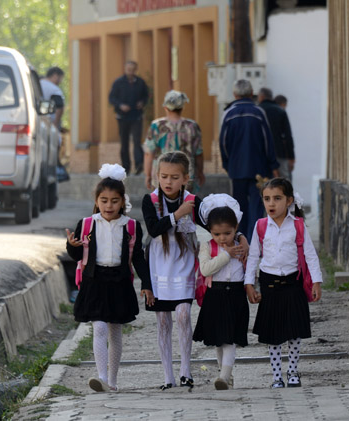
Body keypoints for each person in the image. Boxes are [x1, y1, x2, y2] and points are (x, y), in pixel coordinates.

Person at [142, 151, 248, 390]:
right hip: (159, 266)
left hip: (185, 264)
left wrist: (241, 237)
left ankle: (186, 371)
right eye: (164, 176)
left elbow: (218, 224)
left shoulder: (193, 200)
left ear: (185, 178)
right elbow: (153, 229)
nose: (168, 181)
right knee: (162, 322)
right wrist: (177, 214)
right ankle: (168, 375)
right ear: (157, 176)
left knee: (182, 315)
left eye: (174, 177)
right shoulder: (150, 200)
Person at [66, 163, 151, 392]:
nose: (109, 205)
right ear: (97, 200)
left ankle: (112, 380)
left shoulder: (131, 226)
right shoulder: (87, 225)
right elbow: (76, 255)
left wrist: (147, 283)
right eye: (104, 200)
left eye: (114, 201)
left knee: (115, 331)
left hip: (120, 282)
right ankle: (101, 376)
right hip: (95, 281)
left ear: (123, 201)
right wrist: (71, 245)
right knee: (100, 327)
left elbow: (139, 259)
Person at [244, 178, 323, 389]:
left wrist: (316, 281)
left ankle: (293, 371)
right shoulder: (261, 226)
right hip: (270, 286)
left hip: (293, 283)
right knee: (273, 333)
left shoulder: (297, 225)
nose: (271, 204)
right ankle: (277, 376)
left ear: (288, 201)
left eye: (277, 198)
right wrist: (249, 283)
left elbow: (310, 255)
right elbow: (253, 256)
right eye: (267, 199)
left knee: (294, 332)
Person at [193, 194, 249, 390]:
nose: (222, 238)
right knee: (218, 339)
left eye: (227, 233)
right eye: (217, 234)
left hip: (235, 294)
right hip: (215, 295)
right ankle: (225, 375)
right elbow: (206, 270)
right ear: (210, 232)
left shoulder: (241, 244)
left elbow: (250, 267)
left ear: (236, 229)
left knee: (230, 337)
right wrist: (226, 255)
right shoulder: (207, 246)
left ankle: (224, 376)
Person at [219, 79, 280, 240]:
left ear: (235, 94)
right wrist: (273, 164)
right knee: (256, 206)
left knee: (238, 207)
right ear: (251, 92)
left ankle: (241, 239)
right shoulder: (259, 113)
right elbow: (268, 141)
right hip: (259, 170)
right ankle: (255, 242)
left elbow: (223, 143)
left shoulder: (228, 114)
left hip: (236, 169)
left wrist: (227, 164)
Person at [143, 90, 205, 193]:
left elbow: (149, 153)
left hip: (162, 177)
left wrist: (148, 175)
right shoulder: (192, 126)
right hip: (185, 176)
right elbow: (199, 153)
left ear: (165, 107)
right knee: (185, 204)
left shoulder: (156, 126)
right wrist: (200, 172)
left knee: (162, 206)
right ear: (182, 107)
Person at [108, 61, 149, 175]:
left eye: (132, 69)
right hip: (122, 117)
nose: (130, 71)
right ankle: (126, 167)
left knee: (137, 141)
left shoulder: (140, 83)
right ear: (125, 69)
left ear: (136, 70)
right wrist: (120, 105)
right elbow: (111, 98)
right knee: (124, 142)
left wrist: (142, 102)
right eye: (128, 69)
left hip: (136, 116)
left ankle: (139, 164)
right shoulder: (118, 83)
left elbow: (146, 96)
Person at [258, 87, 295, 181]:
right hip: (279, 153)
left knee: (262, 183)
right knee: (283, 184)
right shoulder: (280, 111)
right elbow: (288, 136)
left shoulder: (256, 111)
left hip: (260, 154)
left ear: (261, 97)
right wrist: (291, 157)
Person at [40, 67, 66, 134]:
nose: (60, 81)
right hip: (49, 123)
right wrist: (55, 124)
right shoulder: (54, 89)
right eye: (60, 78)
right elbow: (59, 106)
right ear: (55, 76)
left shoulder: (37, 84)